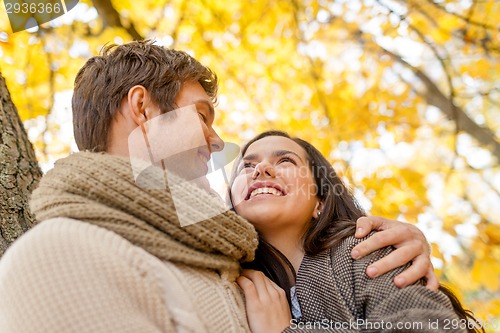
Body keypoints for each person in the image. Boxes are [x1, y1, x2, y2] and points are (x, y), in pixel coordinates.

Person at [0, 40, 434, 332]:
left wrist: (401, 244)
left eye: (285, 161)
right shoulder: (60, 257)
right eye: (202, 115)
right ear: (143, 108)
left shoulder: (232, 263)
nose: (215, 140)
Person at [231, 130, 483, 333]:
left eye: (285, 160)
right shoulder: (230, 275)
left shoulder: (364, 250)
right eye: (246, 165)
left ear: (320, 201)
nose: (260, 169)